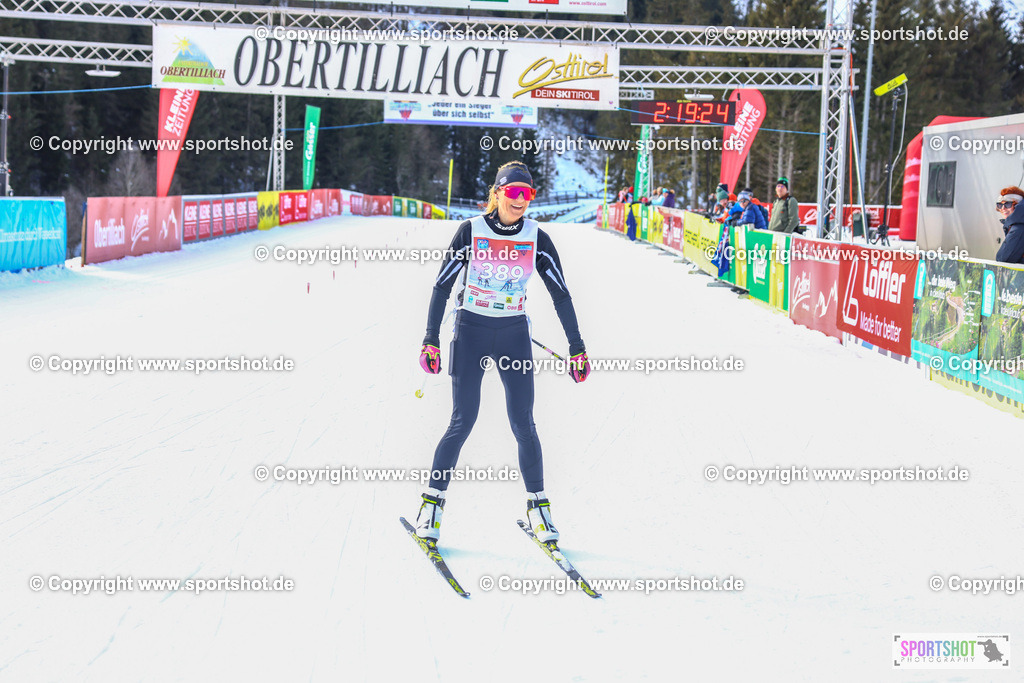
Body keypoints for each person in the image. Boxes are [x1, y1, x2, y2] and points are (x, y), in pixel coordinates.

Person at [415, 160, 590, 544]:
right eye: (513, 192)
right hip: (472, 331)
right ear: (497, 193)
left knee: (523, 423)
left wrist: (577, 347)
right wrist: (431, 338)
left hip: (512, 335)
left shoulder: (536, 237)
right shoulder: (471, 232)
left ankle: (539, 511)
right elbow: (442, 287)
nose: (520, 200)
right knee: (463, 420)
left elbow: (560, 294)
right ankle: (430, 508)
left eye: (527, 194)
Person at [996, 186, 1024, 263]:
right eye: (1000, 205)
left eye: (1007, 204)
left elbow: (1004, 259)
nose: (1003, 208)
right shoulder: (1015, 225)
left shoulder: (1019, 227)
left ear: (1018, 206)